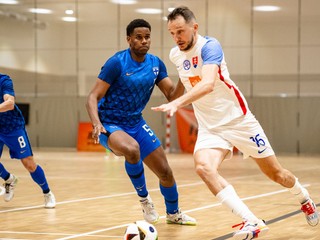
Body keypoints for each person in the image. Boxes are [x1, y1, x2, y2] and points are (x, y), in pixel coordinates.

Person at [152, 6, 319, 239]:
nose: (176, 38)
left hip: (239, 121)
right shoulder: (175, 55)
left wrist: (177, 103)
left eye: (180, 31)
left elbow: (208, 83)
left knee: (277, 174)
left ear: (194, 28)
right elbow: (185, 77)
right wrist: (173, 96)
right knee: (203, 168)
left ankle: (304, 197)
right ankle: (251, 221)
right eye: (172, 33)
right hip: (210, 127)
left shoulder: (210, 47)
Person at [86, 18, 196, 225]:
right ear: (129, 39)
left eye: (147, 37)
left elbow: (172, 96)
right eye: (138, 37)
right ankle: (145, 200)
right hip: (110, 123)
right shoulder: (116, 63)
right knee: (132, 149)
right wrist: (96, 123)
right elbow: (92, 97)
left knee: (165, 172)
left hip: (135, 123)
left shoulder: (155, 64)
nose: (144, 41)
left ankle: (174, 214)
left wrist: (184, 73)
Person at [0, 73, 56, 208]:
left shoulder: (4, 80)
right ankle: (9, 179)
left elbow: (10, 103)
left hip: (13, 127)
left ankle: (47, 193)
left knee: (29, 164)